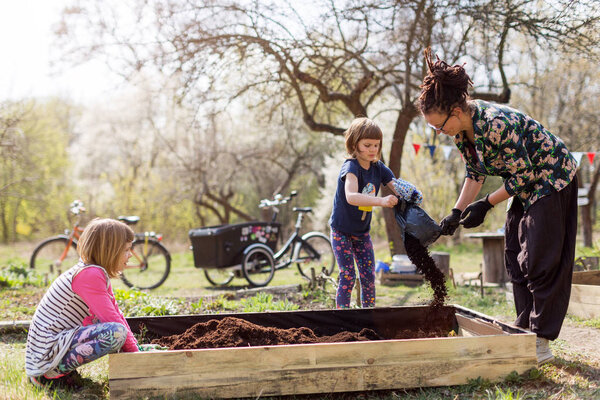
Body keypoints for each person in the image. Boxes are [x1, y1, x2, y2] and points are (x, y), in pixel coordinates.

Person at [418, 48, 578, 364]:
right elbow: (475, 174)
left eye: (440, 125)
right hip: (523, 185)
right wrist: (456, 210)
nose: (439, 132)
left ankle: (541, 341)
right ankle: (523, 332)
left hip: (551, 178)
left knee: (539, 259)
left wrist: (485, 205)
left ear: (456, 110)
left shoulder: (495, 123)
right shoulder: (462, 134)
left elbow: (526, 173)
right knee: (514, 257)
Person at [26, 218, 140, 389]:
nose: (130, 254)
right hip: (46, 349)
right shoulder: (89, 275)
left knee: (118, 331)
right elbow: (113, 321)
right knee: (115, 334)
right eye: (126, 249)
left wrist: (136, 349)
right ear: (109, 250)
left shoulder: (94, 272)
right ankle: (47, 375)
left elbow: (116, 313)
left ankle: (59, 370)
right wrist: (136, 356)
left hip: (56, 342)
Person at [329, 117, 399, 308]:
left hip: (361, 232)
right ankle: (343, 316)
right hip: (341, 231)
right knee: (348, 274)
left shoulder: (378, 168)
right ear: (354, 144)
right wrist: (381, 201)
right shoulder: (351, 167)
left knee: (368, 275)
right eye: (367, 145)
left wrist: (411, 194)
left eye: (376, 145)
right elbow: (351, 196)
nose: (372, 150)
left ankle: (368, 316)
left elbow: (396, 185)